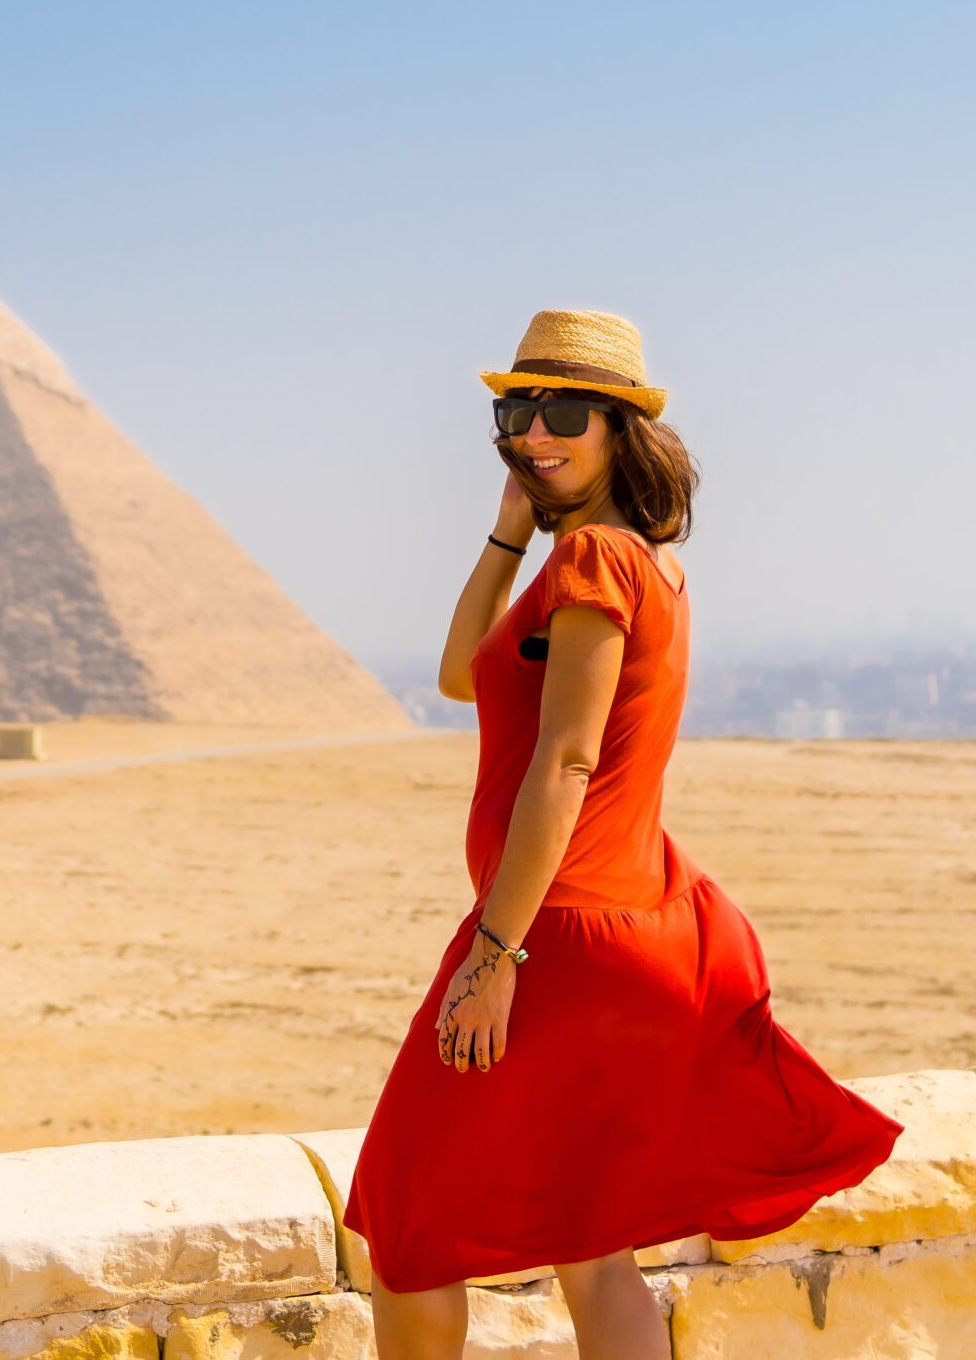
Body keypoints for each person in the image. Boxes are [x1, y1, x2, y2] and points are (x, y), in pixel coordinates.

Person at [344, 308, 904, 1359]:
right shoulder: (633, 560)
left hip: (559, 934)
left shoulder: (597, 558)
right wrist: (510, 526)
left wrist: (493, 954)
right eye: (513, 411)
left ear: (620, 427)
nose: (531, 432)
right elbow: (461, 674)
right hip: (626, 928)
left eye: (562, 411)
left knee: (408, 1218)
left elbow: (566, 761)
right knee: (589, 1244)